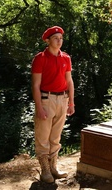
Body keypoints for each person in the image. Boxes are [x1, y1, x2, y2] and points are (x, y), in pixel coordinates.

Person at [31, 26, 75, 183]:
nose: (59, 41)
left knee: (55, 137)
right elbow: (35, 85)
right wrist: (39, 107)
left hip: (62, 100)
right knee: (43, 137)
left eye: (61, 38)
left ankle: (54, 167)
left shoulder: (66, 58)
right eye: (56, 38)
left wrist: (71, 102)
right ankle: (45, 170)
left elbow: (69, 81)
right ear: (48, 40)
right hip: (46, 100)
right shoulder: (40, 58)